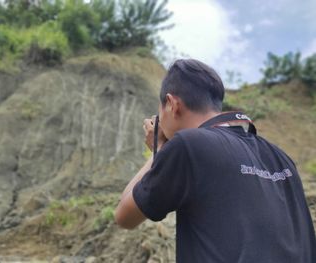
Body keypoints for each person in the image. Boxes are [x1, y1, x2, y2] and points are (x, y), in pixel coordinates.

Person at [114, 59, 316, 262]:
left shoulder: (187, 146)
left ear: (173, 105)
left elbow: (125, 216)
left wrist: (162, 149)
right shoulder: (281, 157)